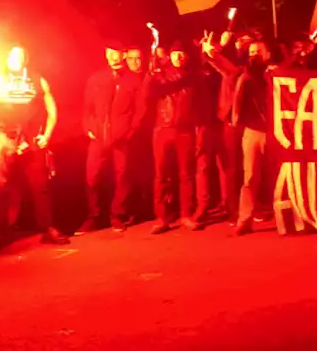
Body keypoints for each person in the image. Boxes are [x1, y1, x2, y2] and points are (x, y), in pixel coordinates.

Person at [0, 46, 70, 253]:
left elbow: (51, 109)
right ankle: (0, 233)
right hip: (6, 142)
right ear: (7, 58)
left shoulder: (37, 79)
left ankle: (47, 229)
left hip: (33, 142)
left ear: (25, 59)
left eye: (20, 55)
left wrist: (46, 135)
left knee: (40, 186)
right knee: (1, 187)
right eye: (12, 54)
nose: (16, 58)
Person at [201, 33, 272, 236]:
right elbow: (226, 69)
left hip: (277, 133)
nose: (254, 55)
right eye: (251, 52)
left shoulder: (277, 74)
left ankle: (290, 214)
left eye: (258, 52)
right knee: (250, 177)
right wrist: (212, 55)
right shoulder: (242, 74)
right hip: (253, 132)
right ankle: (245, 220)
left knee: (281, 177)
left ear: (267, 54)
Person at [79, 40, 147, 233]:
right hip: (99, 136)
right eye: (109, 53)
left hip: (121, 137)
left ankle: (118, 215)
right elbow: (87, 108)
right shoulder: (96, 79)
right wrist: (88, 128)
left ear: (123, 55)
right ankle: (95, 216)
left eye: (117, 53)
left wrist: (131, 131)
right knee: (92, 176)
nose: (113, 57)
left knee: (122, 176)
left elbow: (140, 110)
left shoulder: (133, 80)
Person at [147, 42, 207, 233]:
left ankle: (186, 215)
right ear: (170, 57)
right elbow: (147, 94)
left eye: (182, 54)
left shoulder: (196, 77)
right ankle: (162, 217)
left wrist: (200, 132)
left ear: (188, 57)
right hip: (162, 129)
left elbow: (201, 108)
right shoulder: (160, 75)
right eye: (175, 54)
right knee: (161, 175)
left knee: (186, 174)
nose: (178, 57)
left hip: (185, 131)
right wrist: (150, 75)